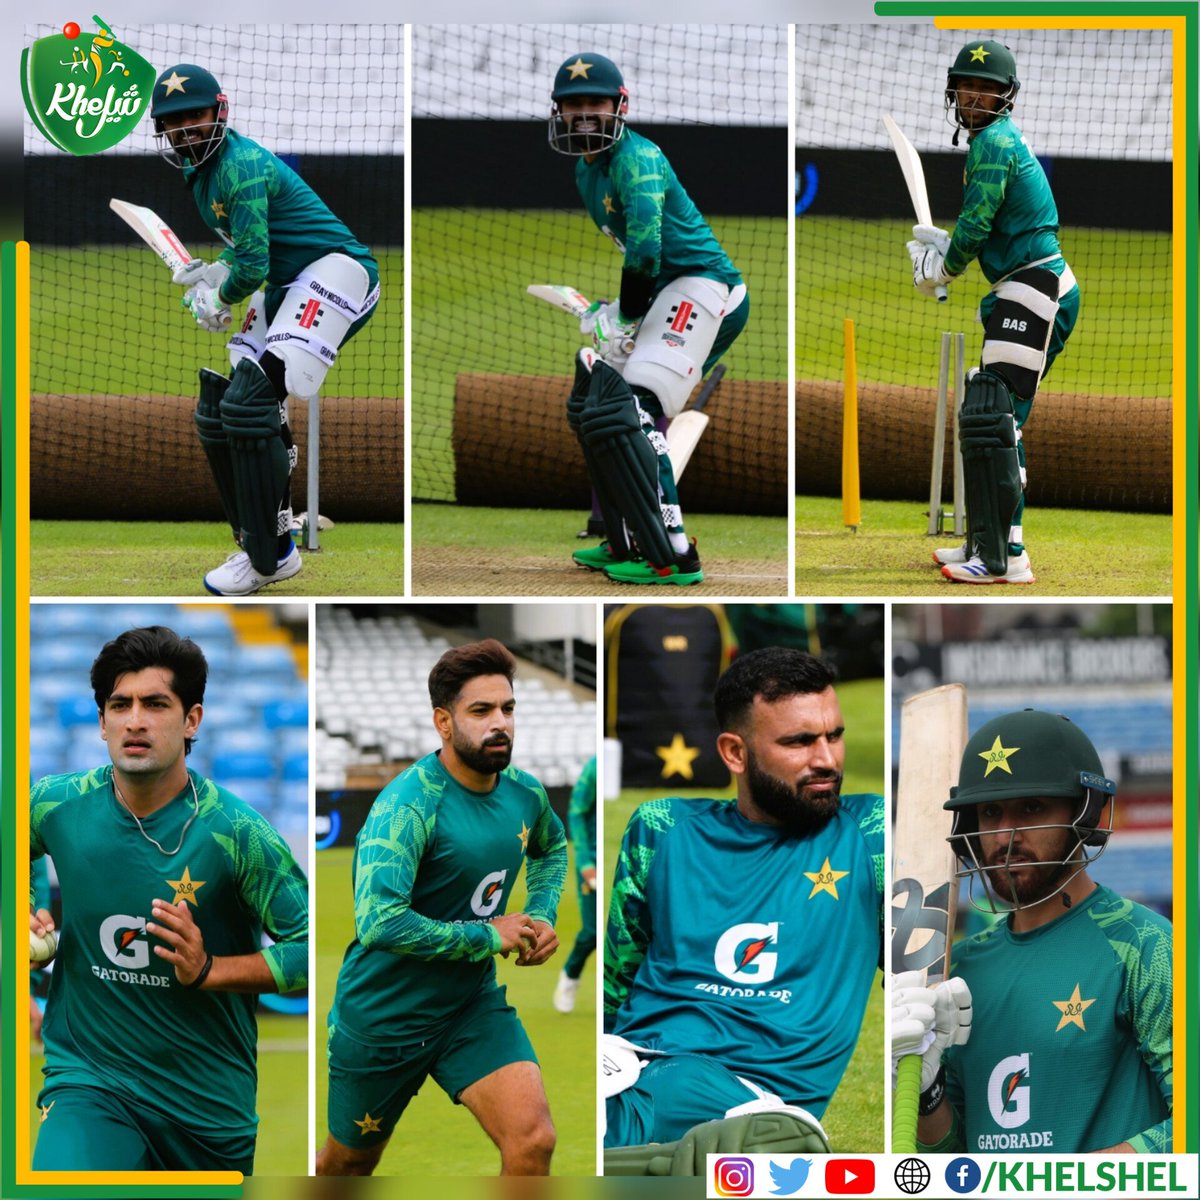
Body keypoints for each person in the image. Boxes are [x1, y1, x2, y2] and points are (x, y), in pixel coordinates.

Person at [29, 626, 309, 1172]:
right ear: (102, 721)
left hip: (207, 1111)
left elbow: (308, 948)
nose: (136, 720)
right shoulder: (55, 803)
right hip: (89, 1081)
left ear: (191, 721)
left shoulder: (239, 834)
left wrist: (209, 970)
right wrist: (23, 909)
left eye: (156, 704)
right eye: (120, 704)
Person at [603, 648, 884, 1175]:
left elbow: (924, 969)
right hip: (624, 1070)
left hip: (749, 1102)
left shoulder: (871, 835)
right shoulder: (660, 828)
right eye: (799, 742)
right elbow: (616, 988)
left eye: (834, 735)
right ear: (735, 752)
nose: (826, 759)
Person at [317, 639, 568, 1176]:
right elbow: (379, 922)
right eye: (481, 711)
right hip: (385, 1018)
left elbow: (553, 846)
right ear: (444, 721)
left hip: (468, 1007)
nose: (500, 723)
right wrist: (486, 936)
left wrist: (542, 913)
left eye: (507, 708)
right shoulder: (406, 806)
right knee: (348, 1165)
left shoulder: (525, 792)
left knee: (534, 1141)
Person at [892, 709, 1172, 1153]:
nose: (1006, 835)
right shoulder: (957, 969)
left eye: (1032, 808)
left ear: (1086, 811)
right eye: (990, 812)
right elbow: (952, 1160)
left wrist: (1064, 1183)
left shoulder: (1145, 945)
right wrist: (928, 1095)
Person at [149, 63, 380, 596]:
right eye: (173, 120)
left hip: (336, 272)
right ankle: (267, 538)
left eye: (194, 115)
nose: (185, 128)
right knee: (222, 408)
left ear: (219, 113)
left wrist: (220, 293)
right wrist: (214, 273)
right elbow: (249, 253)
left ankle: (267, 561)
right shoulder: (200, 172)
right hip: (286, 280)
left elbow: (253, 268)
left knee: (251, 405)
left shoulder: (241, 166)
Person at [549, 52, 750, 587]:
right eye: (573, 104)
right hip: (667, 292)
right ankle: (626, 540)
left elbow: (643, 253)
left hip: (706, 288)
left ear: (620, 106)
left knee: (634, 409)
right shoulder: (584, 169)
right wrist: (618, 312)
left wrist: (625, 318)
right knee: (599, 404)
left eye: (595, 102)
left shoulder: (637, 160)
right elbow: (639, 261)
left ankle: (676, 553)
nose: (584, 114)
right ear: (559, 112)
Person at [907, 41, 1080, 585]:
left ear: (1007, 95)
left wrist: (944, 268)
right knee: (989, 414)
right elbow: (983, 226)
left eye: (986, 87)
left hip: (1035, 286)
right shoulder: (991, 141)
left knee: (997, 422)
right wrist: (949, 244)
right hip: (1021, 285)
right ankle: (986, 541)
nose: (975, 95)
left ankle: (1008, 557)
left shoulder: (994, 142)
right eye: (967, 85)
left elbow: (978, 226)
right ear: (954, 90)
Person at [553, 754, 597, 1013]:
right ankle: (570, 976)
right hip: (591, 861)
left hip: (616, 857)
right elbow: (577, 812)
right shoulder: (595, 766)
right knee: (591, 931)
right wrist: (585, 862)